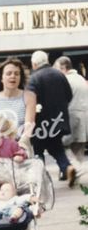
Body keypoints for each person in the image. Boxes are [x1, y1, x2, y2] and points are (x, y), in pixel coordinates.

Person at [27, 50, 76, 187]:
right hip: (58, 121)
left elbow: (30, 100)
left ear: (34, 64)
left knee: (38, 150)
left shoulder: (34, 78)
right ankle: (67, 167)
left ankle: (40, 178)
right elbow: (69, 95)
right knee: (56, 147)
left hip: (41, 122)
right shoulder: (59, 74)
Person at [0, 57, 36, 152]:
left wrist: (21, 145)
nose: (13, 76)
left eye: (16, 74)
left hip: (21, 148)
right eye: (8, 73)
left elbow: (29, 124)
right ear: (1, 78)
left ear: (20, 77)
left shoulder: (29, 96)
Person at [55, 55, 88, 171]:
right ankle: (78, 168)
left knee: (62, 144)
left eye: (57, 68)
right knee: (79, 147)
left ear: (63, 68)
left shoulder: (65, 80)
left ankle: (70, 169)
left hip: (71, 117)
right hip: (84, 117)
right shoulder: (81, 78)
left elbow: (60, 100)